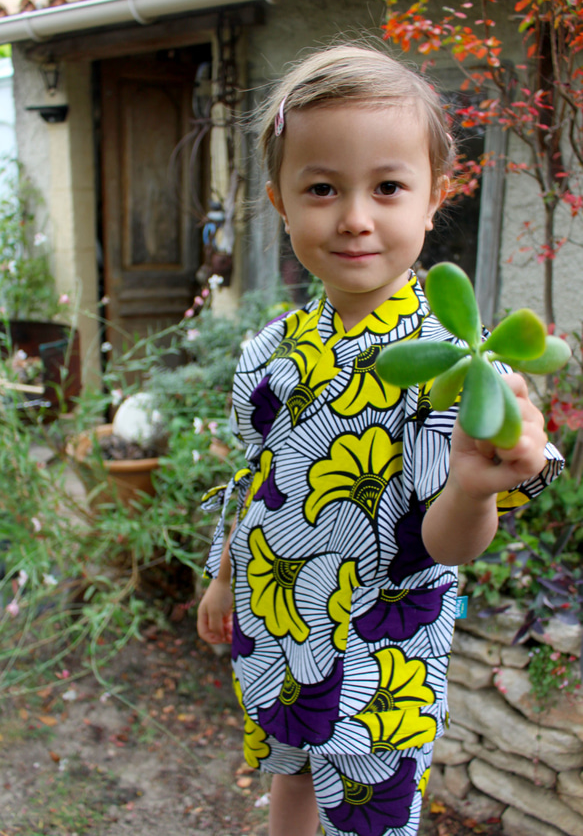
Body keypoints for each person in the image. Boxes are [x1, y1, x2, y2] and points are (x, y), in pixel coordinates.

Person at [197, 44, 562, 836]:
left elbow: (446, 545)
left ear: (433, 199)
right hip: (276, 623)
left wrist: (470, 485)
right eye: (322, 187)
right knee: (286, 777)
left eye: (387, 187)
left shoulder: (460, 368)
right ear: (281, 203)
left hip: (376, 664)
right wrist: (223, 576)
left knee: (365, 824)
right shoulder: (269, 348)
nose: (355, 216)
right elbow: (255, 476)